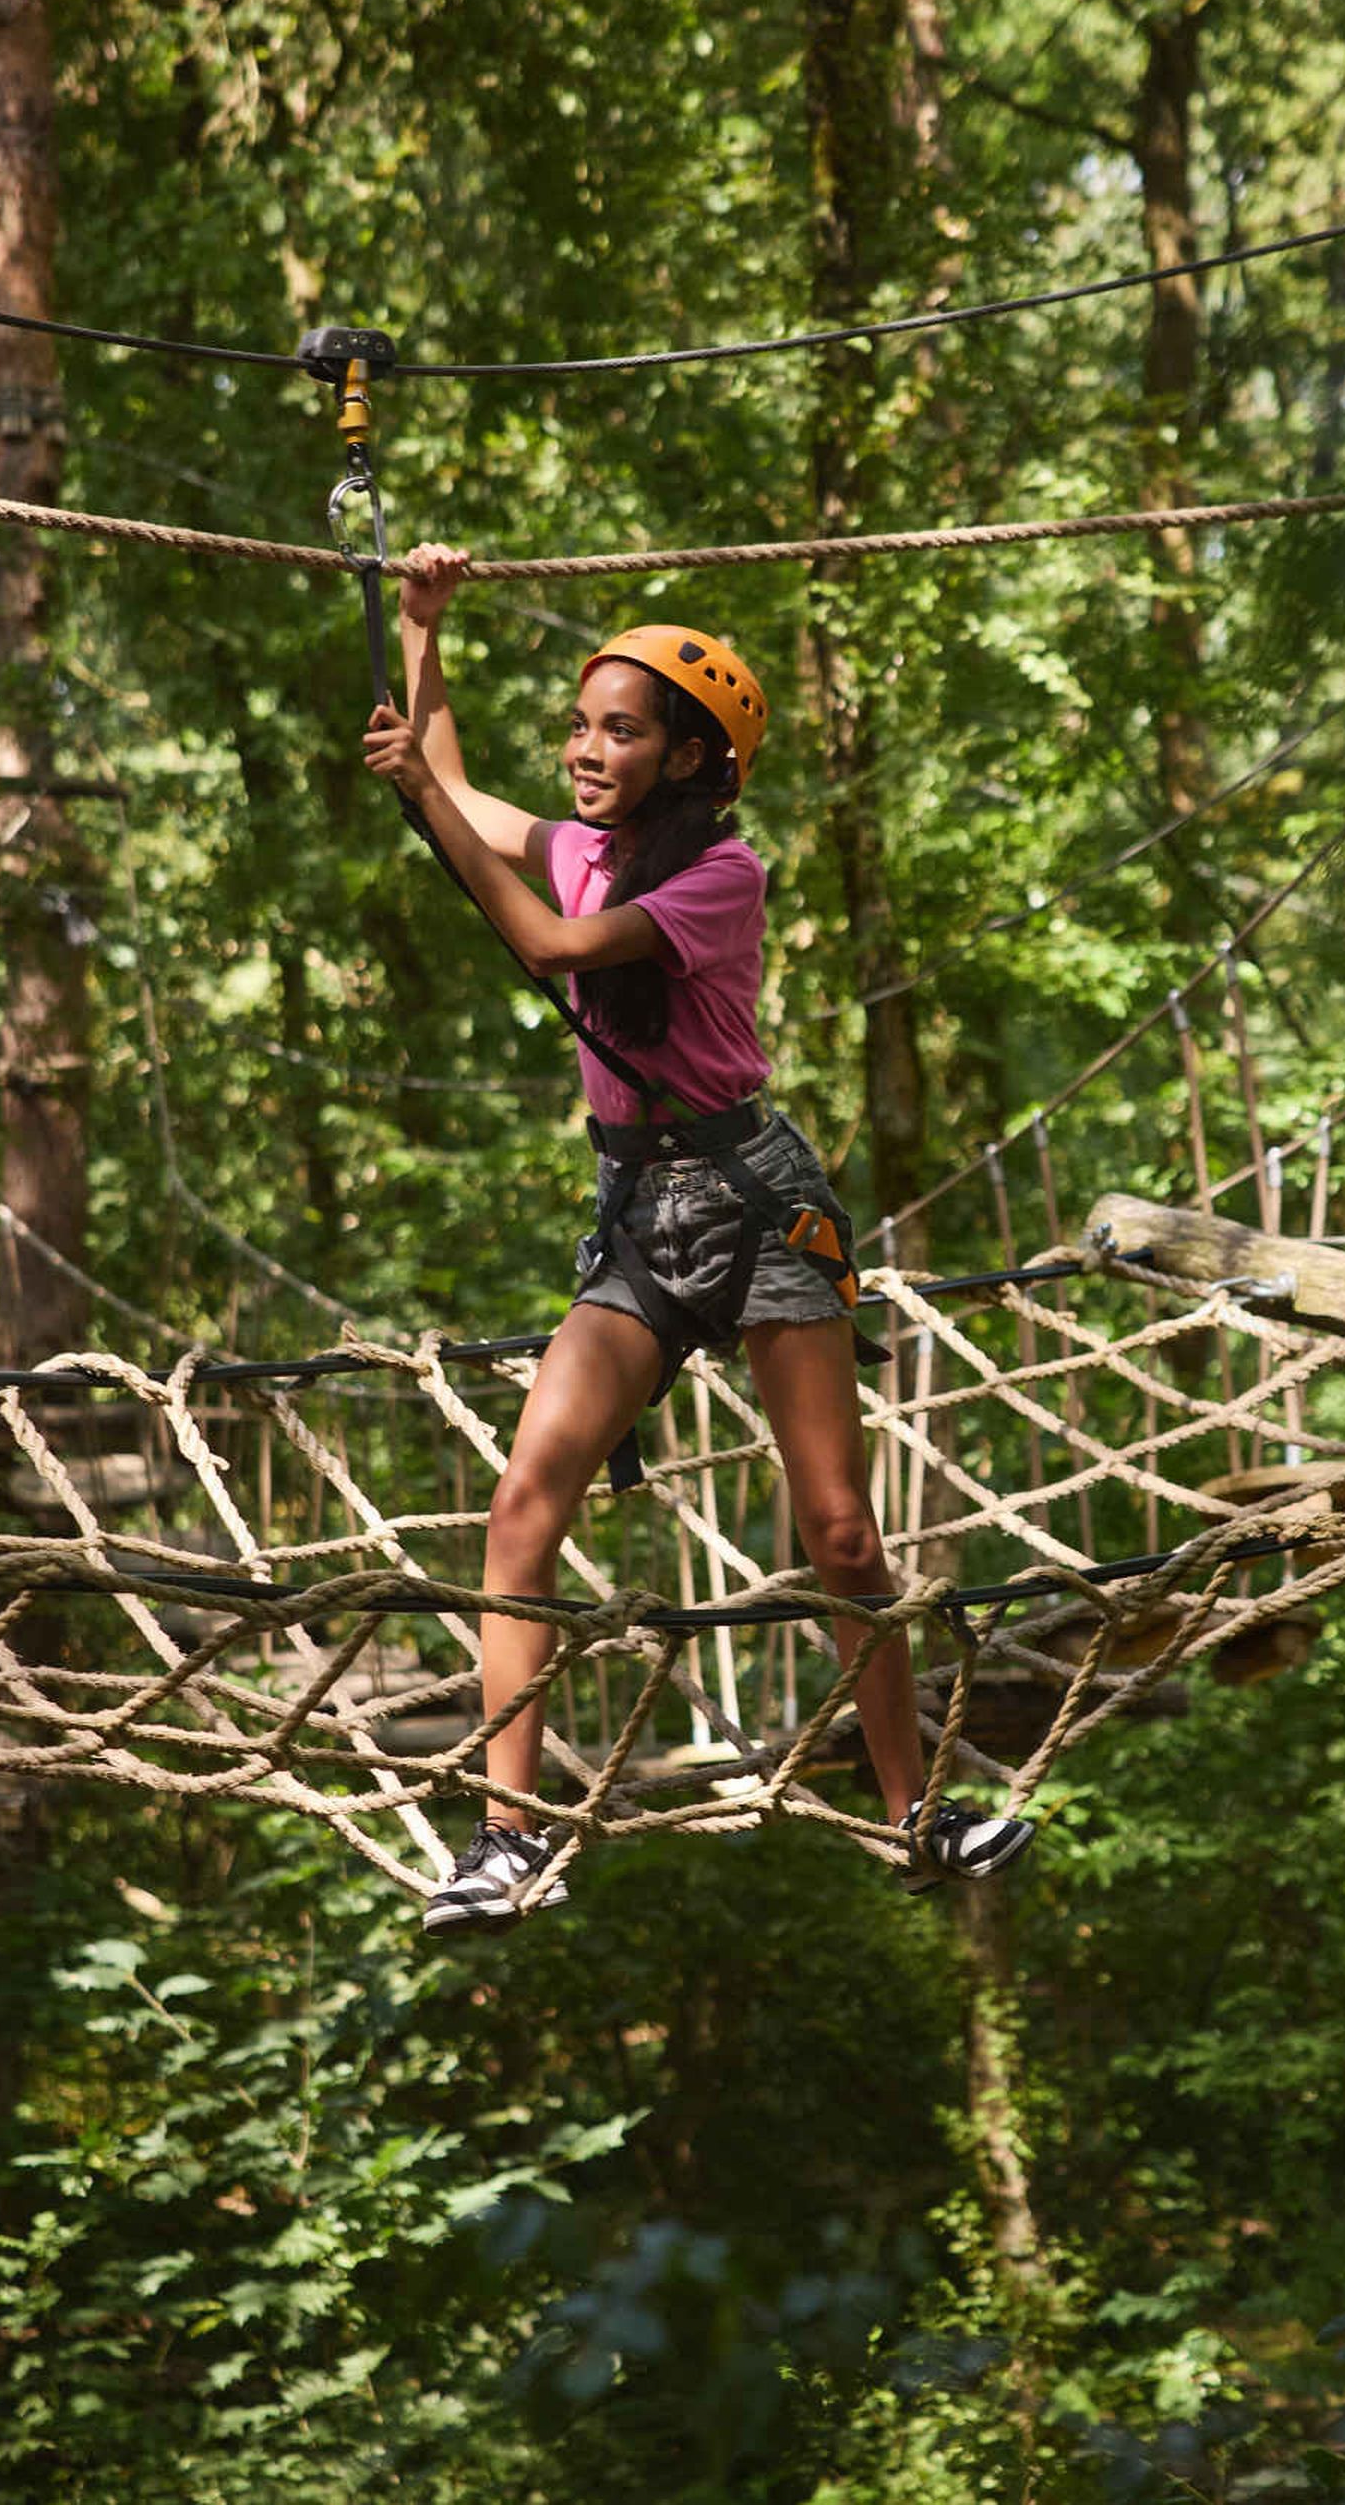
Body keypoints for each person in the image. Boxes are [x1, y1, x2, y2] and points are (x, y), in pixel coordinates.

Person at [360, 544, 1032, 1934]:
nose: (584, 750)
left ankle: (918, 1813)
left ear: (687, 758)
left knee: (840, 1533)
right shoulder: (580, 845)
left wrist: (426, 793)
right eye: (579, 724)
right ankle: (507, 1838)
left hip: (757, 1202)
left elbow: (549, 946)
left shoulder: (723, 876)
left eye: (619, 731)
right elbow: (460, 794)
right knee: (520, 1507)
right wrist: (423, 628)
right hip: (639, 1216)